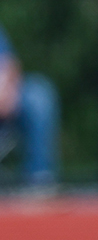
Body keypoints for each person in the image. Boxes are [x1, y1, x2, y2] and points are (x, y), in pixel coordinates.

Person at [0, 23, 60, 190]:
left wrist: (7, 92)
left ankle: (38, 180)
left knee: (38, 94)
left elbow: (9, 64)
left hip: (5, 105)